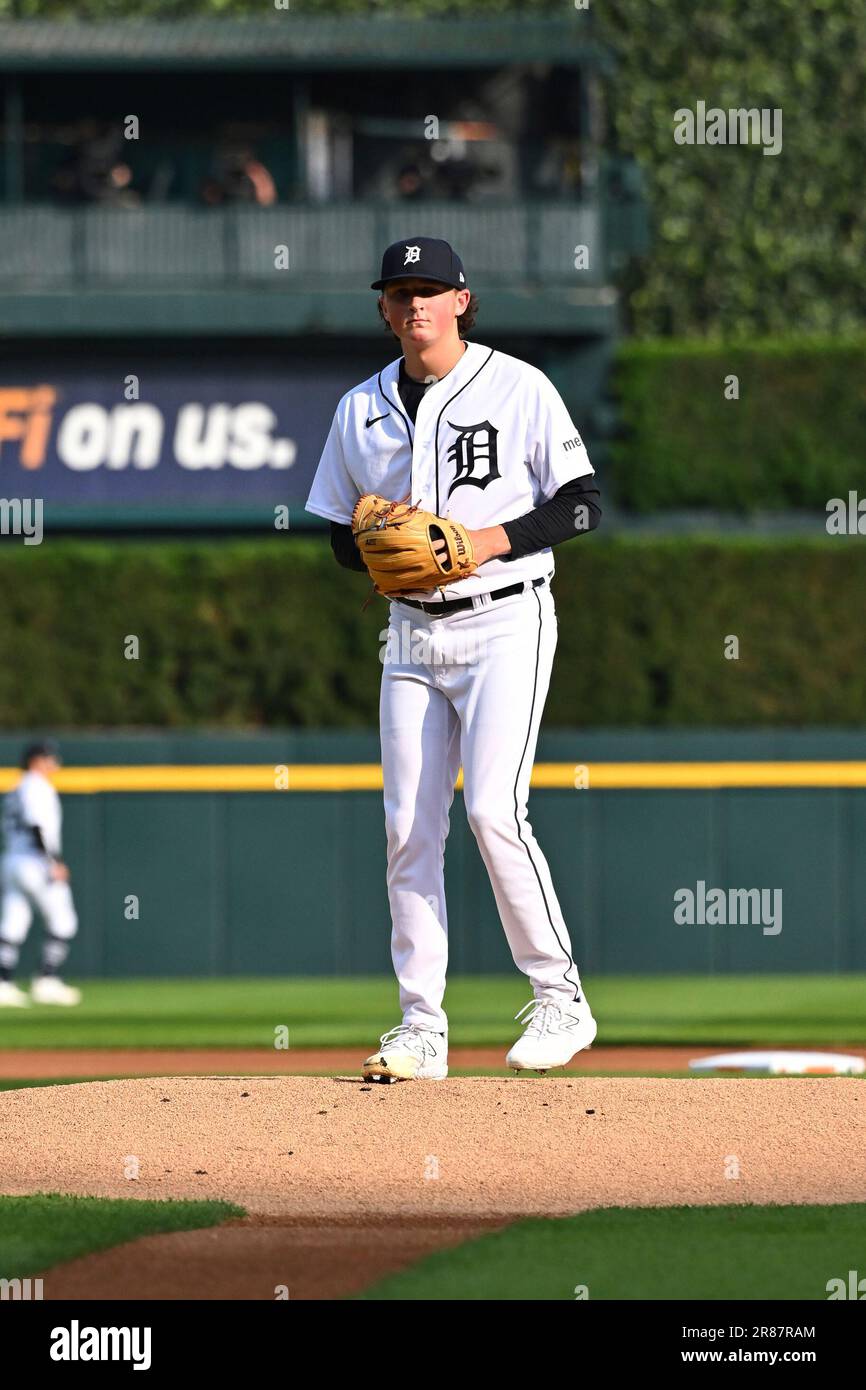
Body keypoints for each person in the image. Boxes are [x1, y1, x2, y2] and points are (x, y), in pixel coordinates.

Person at [305, 236, 602, 1080]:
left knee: (493, 811)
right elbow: (336, 539)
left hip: (508, 621)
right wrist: (379, 544)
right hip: (409, 633)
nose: (416, 305)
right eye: (401, 293)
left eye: (431, 290)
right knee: (407, 828)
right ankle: (420, 1027)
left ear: (462, 301)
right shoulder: (358, 408)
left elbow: (583, 508)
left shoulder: (520, 387)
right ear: (384, 309)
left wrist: (483, 541)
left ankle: (560, 999)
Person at [0, 741, 82, 1007]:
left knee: (13, 922)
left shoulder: (16, 788)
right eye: (50, 759)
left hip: (13, 859)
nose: (55, 764)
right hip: (35, 863)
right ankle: (47, 980)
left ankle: (3, 983)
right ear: (36, 761)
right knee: (63, 920)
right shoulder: (36, 786)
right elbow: (37, 826)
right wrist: (53, 861)